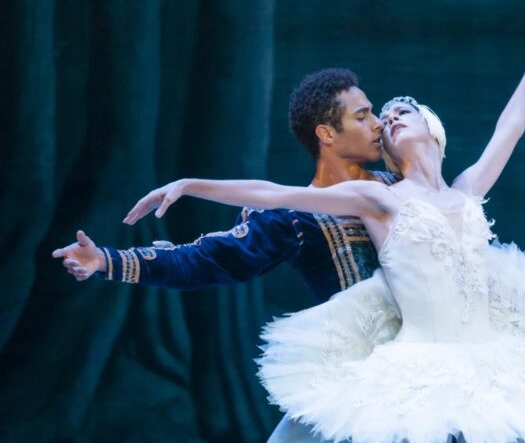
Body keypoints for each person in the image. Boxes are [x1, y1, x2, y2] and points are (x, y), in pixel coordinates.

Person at [123, 32, 525, 443]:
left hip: (488, 353)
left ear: (432, 129)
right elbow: (275, 194)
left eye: (399, 113)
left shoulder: (465, 191)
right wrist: (190, 184)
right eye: (381, 120)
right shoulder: (380, 197)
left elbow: (511, 129)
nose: (388, 120)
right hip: (416, 357)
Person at [52, 68, 398, 441]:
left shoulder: (406, 189)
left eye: (373, 113)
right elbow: (206, 260)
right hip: (360, 380)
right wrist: (107, 260)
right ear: (327, 133)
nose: (377, 125)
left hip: (434, 360)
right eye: (361, 117)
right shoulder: (296, 219)